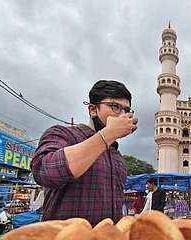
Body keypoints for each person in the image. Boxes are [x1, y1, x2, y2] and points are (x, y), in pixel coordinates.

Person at [31, 80, 138, 226]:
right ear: (93, 110)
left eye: (126, 110)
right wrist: (107, 135)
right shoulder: (64, 134)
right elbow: (45, 172)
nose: (122, 115)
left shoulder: (116, 156)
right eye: (115, 107)